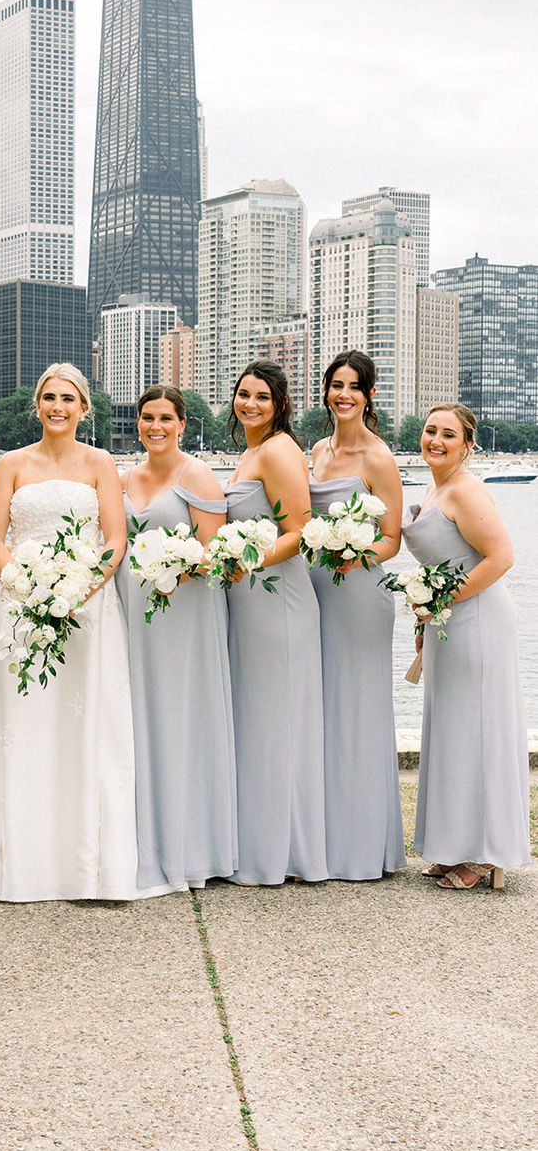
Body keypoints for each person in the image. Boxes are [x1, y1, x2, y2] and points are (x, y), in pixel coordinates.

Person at [0, 364, 160, 902]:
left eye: (68, 398)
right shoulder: (12, 464)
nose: (57, 407)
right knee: (14, 721)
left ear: (84, 408)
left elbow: (114, 538)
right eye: (48, 398)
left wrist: (80, 587)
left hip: (87, 609)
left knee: (82, 724)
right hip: (17, 605)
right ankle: (1, 855)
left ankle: (83, 862)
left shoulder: (101, 463)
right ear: (36, 406)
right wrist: (24, 585)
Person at [402, 403, 531, 890]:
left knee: (478, 732)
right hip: (447, 623)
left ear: (467, 445)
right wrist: (425, 614)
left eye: (448, 435)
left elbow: (501, 558)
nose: (435, 440)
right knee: (455, 732)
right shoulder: (435, 487)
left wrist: (438, 600)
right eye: (430, 431)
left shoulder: (468, 490)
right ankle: (456, 845)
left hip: (478, 622)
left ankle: (483, 856)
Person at [117, 384, 237, 889]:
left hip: (184, 614)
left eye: (166, 418)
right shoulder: (125, 477)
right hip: (135, 614)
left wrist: (174, 568)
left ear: (182, 424)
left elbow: (217, 558)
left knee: (182, 717)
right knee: (141, 720)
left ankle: (190, 847)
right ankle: (143, 841)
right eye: (148, 418)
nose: (156, 427)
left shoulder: (199, 476)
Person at [225, 360, 327, 886]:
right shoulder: (250, 451)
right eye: (244, 394)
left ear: (281, 404)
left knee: (278, 723)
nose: (251, 404)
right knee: (259, 721)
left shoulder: (280, 450)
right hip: (249, 603)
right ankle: (257, 844)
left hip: (278, 602)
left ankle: (281, 854)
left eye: (262, 397)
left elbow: (301, 531)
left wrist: (244, 561)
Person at [310, 351, 406, 880]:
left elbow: (391, 540)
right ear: (326, 392)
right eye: (335, 385)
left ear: (368, 395)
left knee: (358, 709)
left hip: (360, 590)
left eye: (354, 386)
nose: (343, 394)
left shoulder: (378, 457)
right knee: (324, 706)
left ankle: (364, 848)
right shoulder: (319, 451)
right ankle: (326, 837)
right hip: (317, 590)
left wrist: (353, 554)